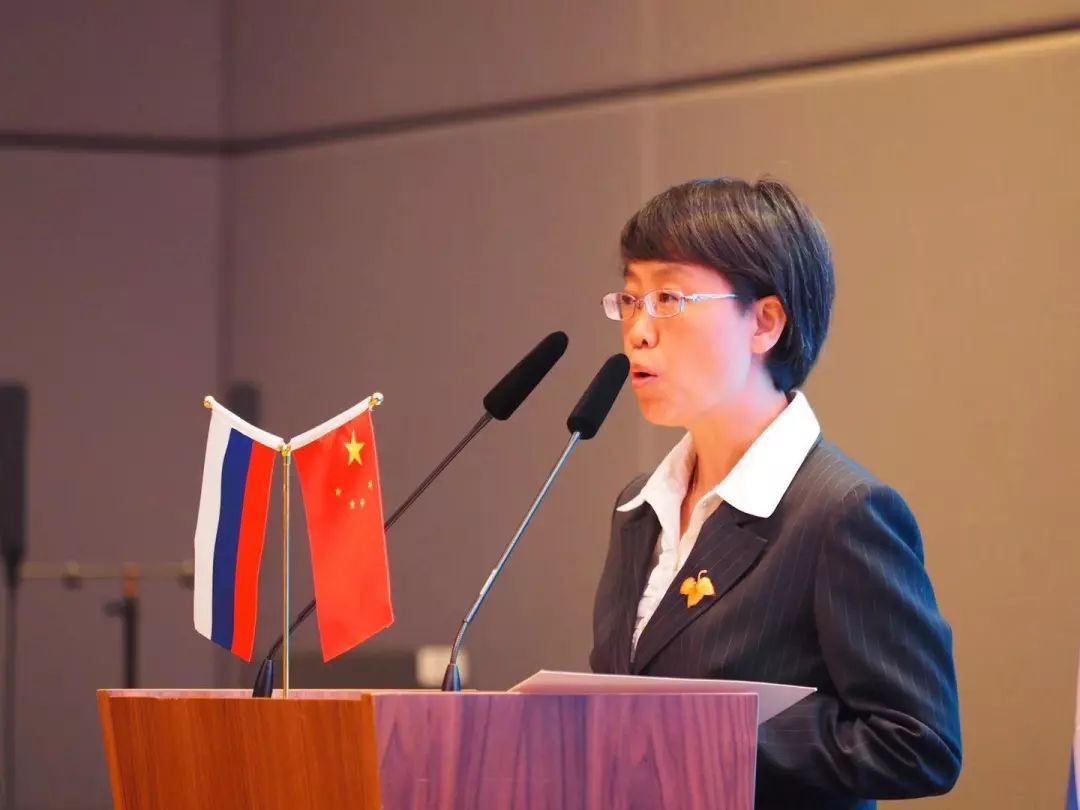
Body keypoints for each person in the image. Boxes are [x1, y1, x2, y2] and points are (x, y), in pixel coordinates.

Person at [589, 177, 962, 810]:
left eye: (669, 298)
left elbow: (918, 742)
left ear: (764, 322)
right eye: (629, 299)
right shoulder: (639, 507)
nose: (638, 331)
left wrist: (706, 733)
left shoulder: (842, 512)